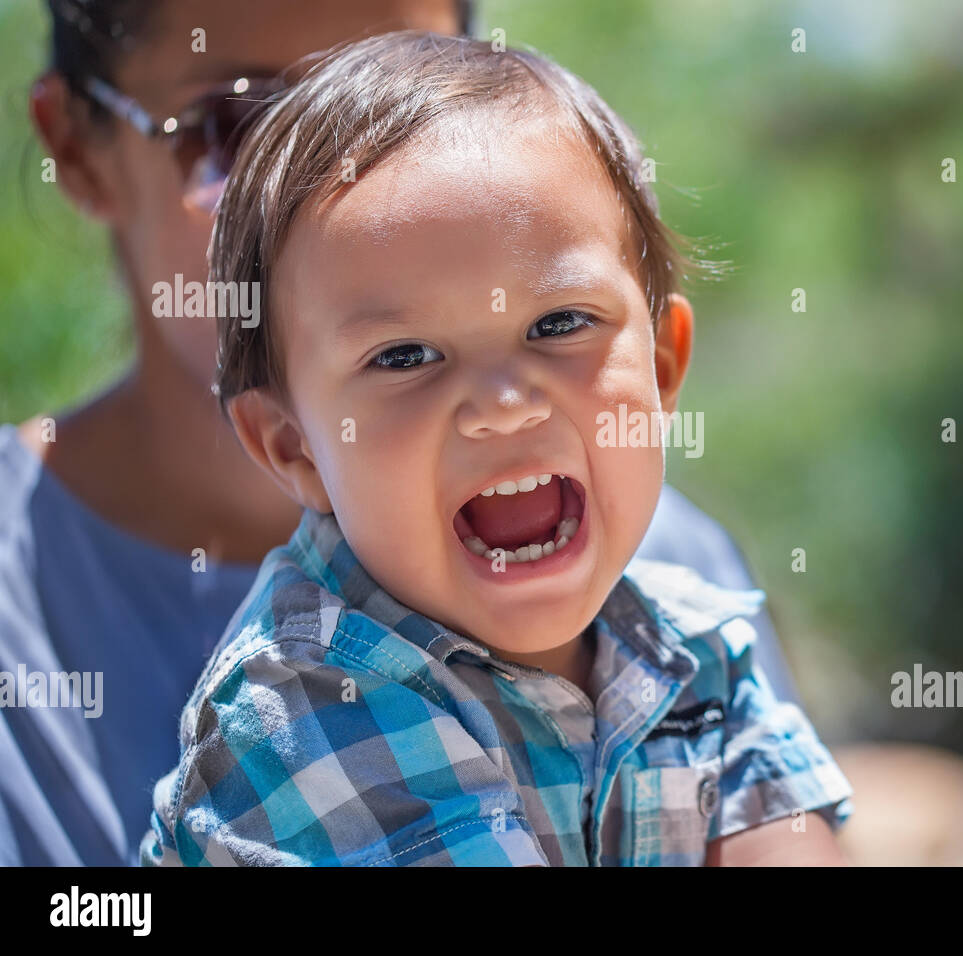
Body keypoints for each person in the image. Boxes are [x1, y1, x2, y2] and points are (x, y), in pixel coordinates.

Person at [1, 0, 803, 866]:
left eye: (413, 97)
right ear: (78, 148)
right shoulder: (295, 706)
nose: (503, 403)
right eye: (239, 125)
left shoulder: (673, 588)